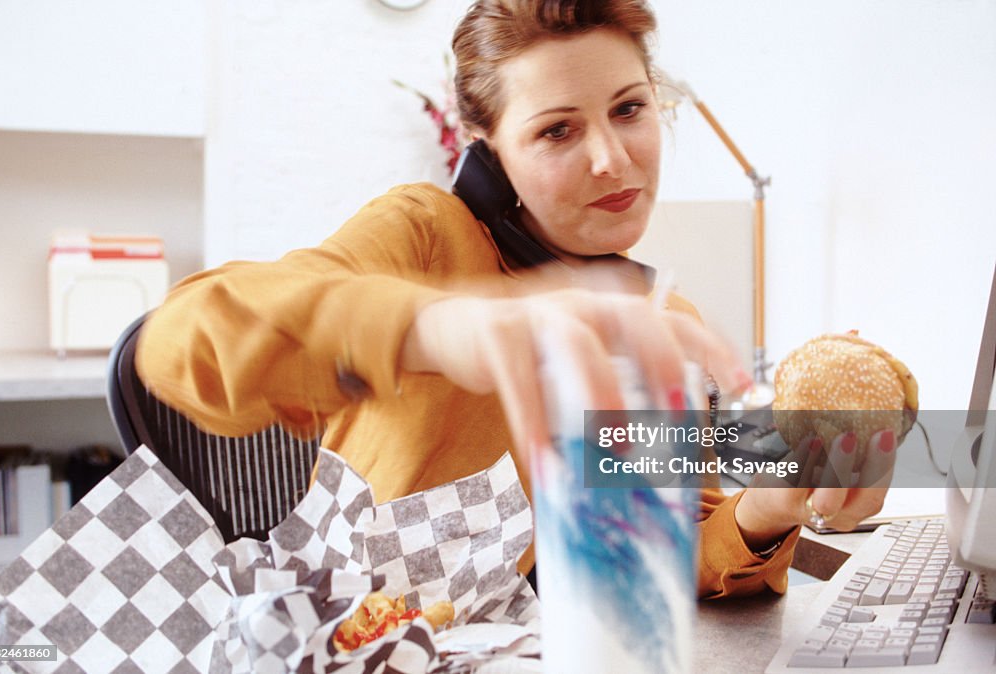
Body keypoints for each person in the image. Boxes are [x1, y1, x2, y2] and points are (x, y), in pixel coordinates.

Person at [137, 0, 889, 598]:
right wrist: (442, 327)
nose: (611, 158)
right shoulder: (427, 236)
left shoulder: (664, 323)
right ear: (489, 149)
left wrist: (766, 509)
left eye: (628, 109)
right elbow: (181, 341)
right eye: (557, 131)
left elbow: (668, 550)